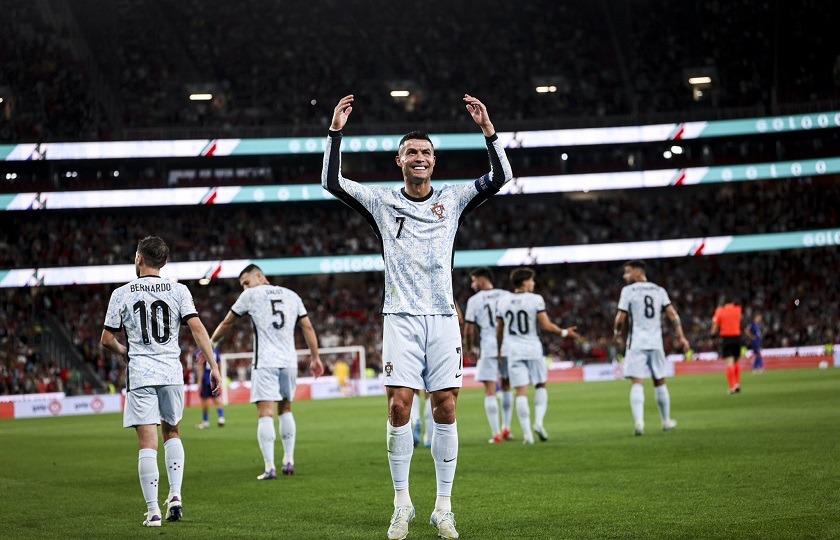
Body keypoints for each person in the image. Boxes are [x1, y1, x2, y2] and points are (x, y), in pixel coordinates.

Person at [323, 93, 513, 540]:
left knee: (445, 407)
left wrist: (489, 130)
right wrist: (336, 132)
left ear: (434, 160)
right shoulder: (381, 203)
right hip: (401, 318)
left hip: (444, 317)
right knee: (398, 407)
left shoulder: (455, 198)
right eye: (412, 152)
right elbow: (332, 182)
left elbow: (502, 176)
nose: (420, 157)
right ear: (399, 161)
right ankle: (401, 503)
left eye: (427, 152)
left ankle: (443, 507)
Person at [100, 236, 221, 527]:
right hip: (170, 372)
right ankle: (176, 496)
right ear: (164, 262)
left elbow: (106, 340)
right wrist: (214, 367)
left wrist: (124, 351)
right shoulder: (179, 291)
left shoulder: (121, 293)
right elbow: (197, 329)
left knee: (147, 443)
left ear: (139, 259)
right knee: (173, 432)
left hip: (141, 373)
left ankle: (153, 511)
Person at [208, 264, 324, 479]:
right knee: (286, 409)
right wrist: (315, 357)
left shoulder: (251, 295)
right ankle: (289, 461)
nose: (244, 288)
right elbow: (307, 327)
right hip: (289, 361)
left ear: (259, 276)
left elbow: (227, 322)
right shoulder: (292, 295)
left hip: (265, 362)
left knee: (265, 413)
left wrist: (211, 343)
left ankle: (270, 467)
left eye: (246, 282)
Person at [495, 267, 580, 444]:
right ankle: (539, 422)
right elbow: (547, 326)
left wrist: (499, 350)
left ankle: (527, 435)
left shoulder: (503, 301)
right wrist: (564, 332)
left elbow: (500, 329)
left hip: (513, 350)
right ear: (525, 282)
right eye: (532, 280)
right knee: (541, 385)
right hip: (532, 348)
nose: (534, 283)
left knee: (521, 392)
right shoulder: (535, 300)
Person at [612, 260, 690, 435]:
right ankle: (665, 421)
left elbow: (620, 319)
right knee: (660, 380)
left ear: (637, 273)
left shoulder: (628, 291)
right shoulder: (659, 290)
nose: (625, 276)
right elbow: (672, 314)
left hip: (637, 342)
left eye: (628, 272)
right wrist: (682, 337)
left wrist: (616, 333)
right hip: (656, 342)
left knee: (637, 381)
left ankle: (639, 423)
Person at [464, 267, 514, 444]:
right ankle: (507, 429)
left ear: (481, 281)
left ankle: (496, 434)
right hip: (509, 346)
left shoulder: (474, 301)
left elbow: (469, 330)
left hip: (488, 347)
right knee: (507, 386)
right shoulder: (507, 295)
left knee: (490, 390)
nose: (472, 285)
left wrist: (469, 348)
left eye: (474, 281)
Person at [712, 298, 744, 394]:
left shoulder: (720, 311)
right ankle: (737, 383)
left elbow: (714, 328)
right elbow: (740, 320)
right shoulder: (738, 309)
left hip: (726, 338)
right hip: (737, 337)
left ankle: (732, 386)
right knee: (736, 361)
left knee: (729, 363)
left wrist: (713, 335)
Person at [194, 348, 226, 429]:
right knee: (217, 398)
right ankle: (221, 418)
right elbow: (219, 364)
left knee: (204, 401)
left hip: (205, 379)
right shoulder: (216, 351)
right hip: (214, 378)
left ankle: (205, 422)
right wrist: (219, 377)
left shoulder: (200, 351)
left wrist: (199, 382)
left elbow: (200, 368)